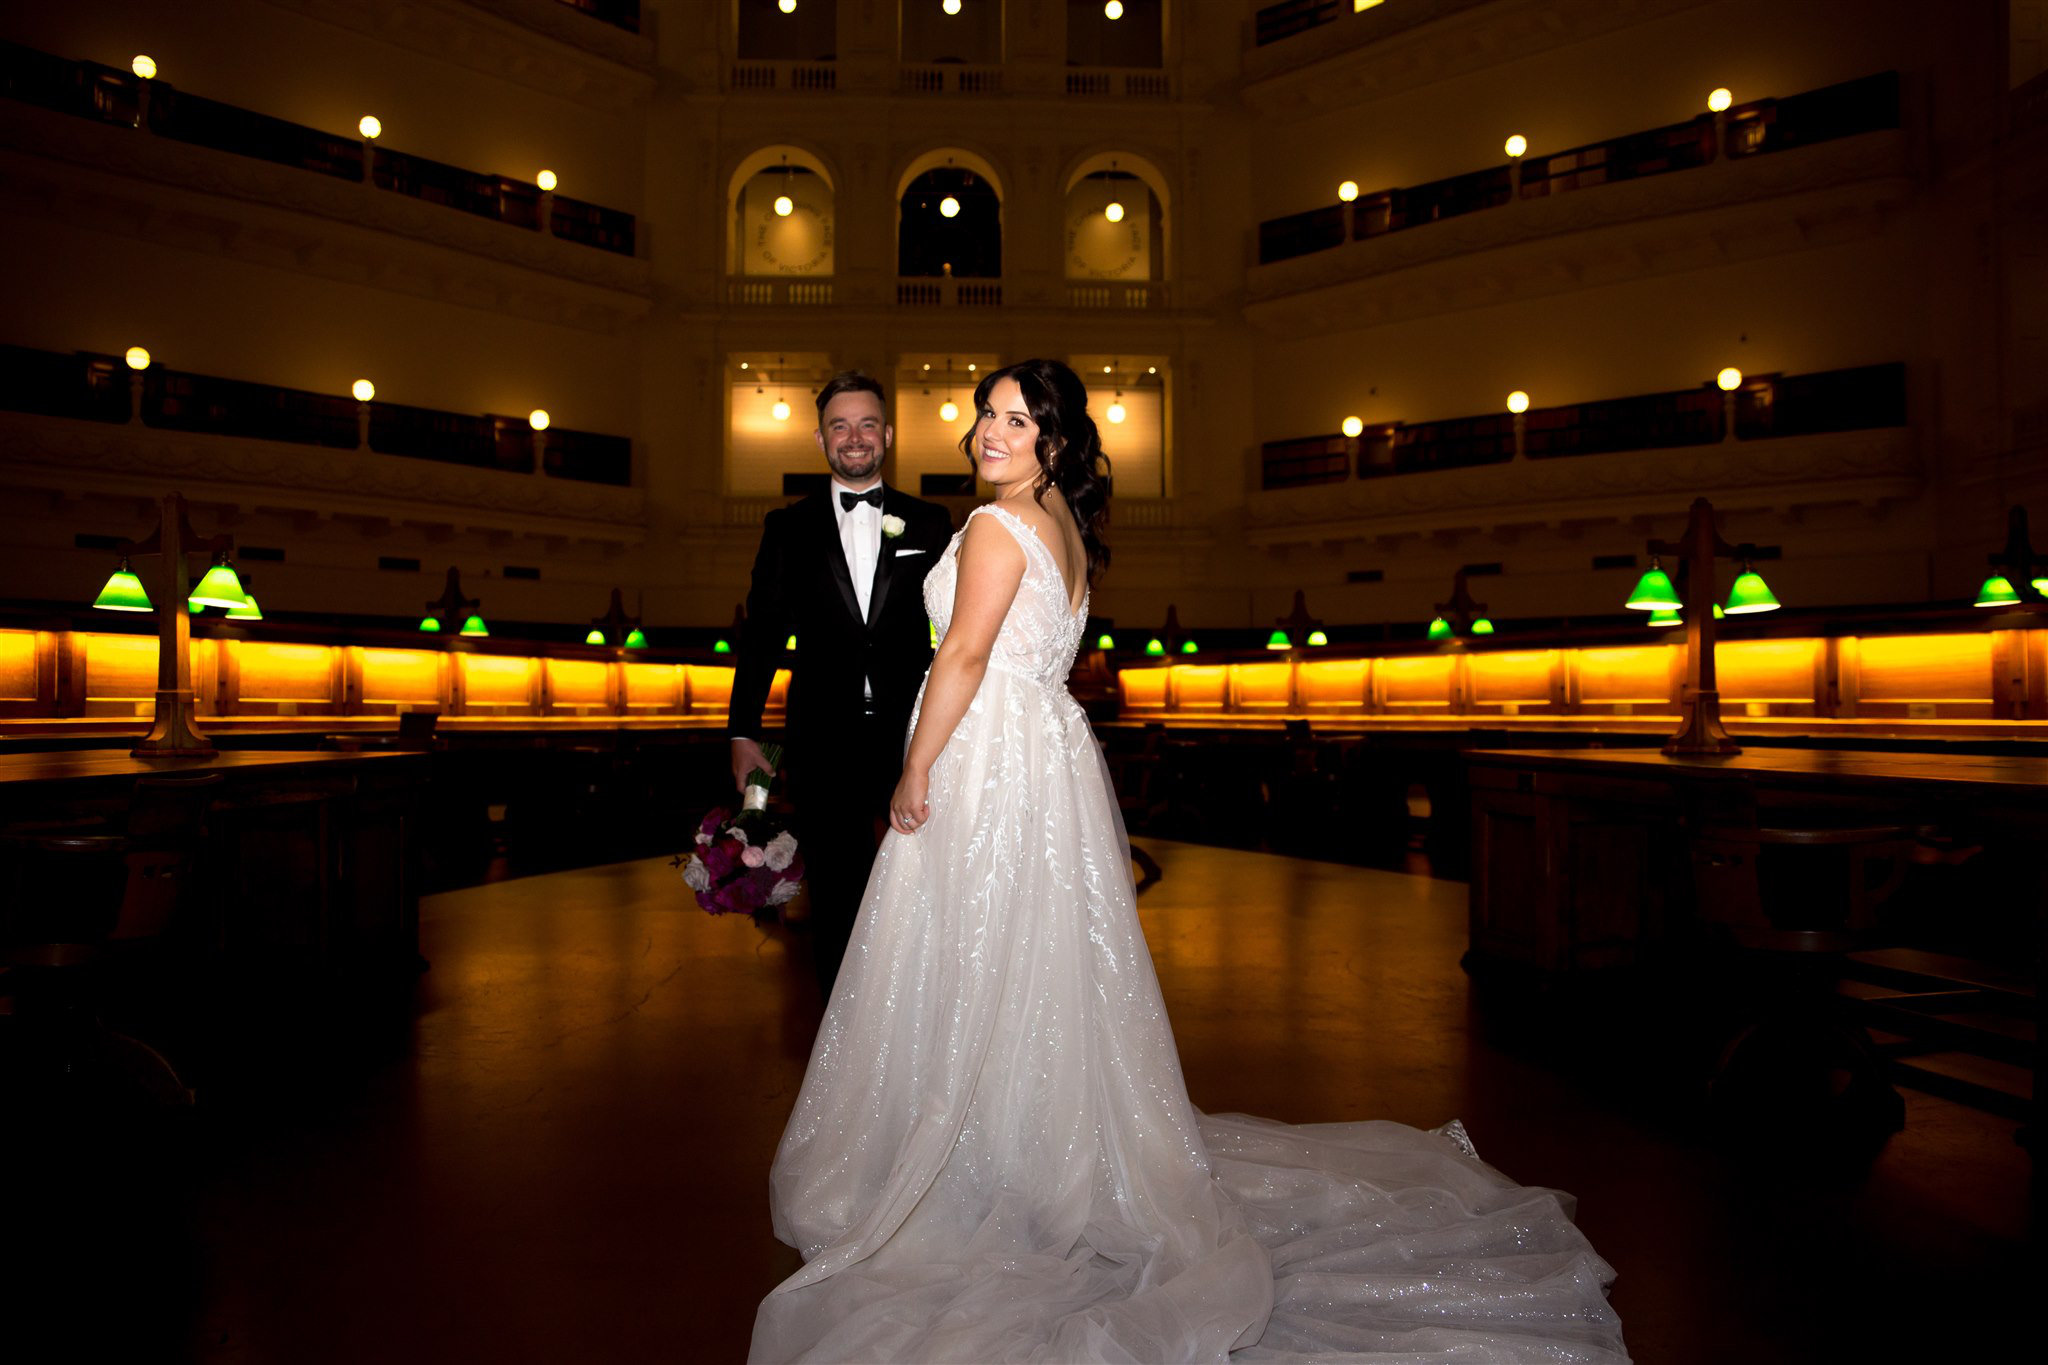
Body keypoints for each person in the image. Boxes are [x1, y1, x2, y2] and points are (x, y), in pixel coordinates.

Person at [750, 360, 1628, 1363]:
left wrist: (914, 767)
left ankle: (984, 1156)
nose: (989, 433)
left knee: (971, 953)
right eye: (984, 417)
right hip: (1044, 757)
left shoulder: (996, 527)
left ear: (1053, 440)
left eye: (1015, 420)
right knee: (1033, 962)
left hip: (988, 755)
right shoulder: (1063, 529)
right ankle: (1026, 1142)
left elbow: (957, 658)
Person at [726, 371, 954, 994]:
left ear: (889, 433)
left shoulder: (933, 524)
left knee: (928, 881)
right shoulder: (786, 528)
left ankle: (920, 1013)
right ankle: (842, 1031)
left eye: (867, 424)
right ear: (821, 436)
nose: (854, 438)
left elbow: (959, 634)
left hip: (916, 737)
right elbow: (764, 636)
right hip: (821, 737)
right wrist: (744, 731)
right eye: (840, 425)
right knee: (835, 893)